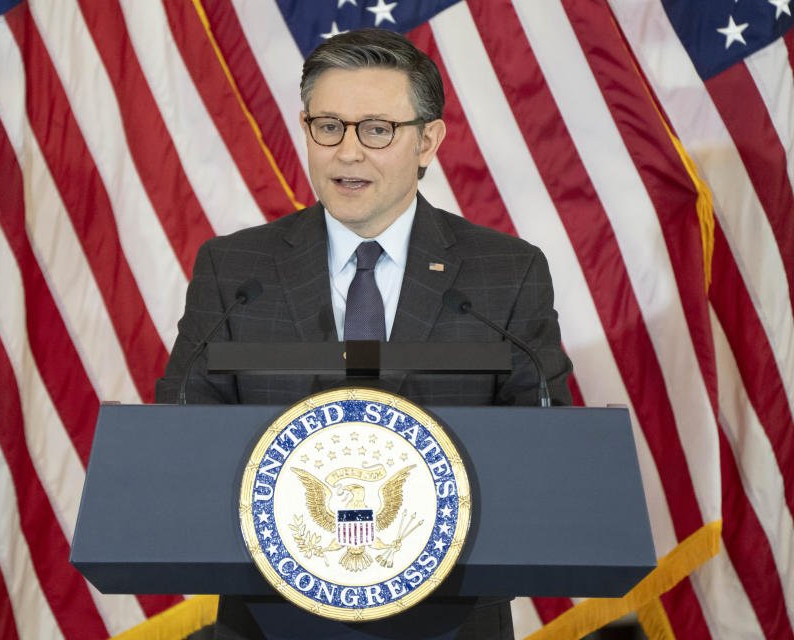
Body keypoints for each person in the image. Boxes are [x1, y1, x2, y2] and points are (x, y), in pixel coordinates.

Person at [157, 28, 572, 640]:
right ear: (306, 131)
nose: (348, 152)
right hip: (270, 620)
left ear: (428, 140)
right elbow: (181, 435)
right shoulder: (235, 270)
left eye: (377, 129)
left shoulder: (503, 273)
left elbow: (543, 445)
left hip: (449, 621)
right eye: (329, 126)